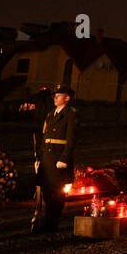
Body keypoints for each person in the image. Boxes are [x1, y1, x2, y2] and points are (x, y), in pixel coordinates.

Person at [31, 84, 78, 234]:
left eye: (59, 95)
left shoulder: (71, 114)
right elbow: (45, 138)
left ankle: (52, 225)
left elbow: (71, 139)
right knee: (46, 192)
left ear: (67, 98)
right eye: (55, 95)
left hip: (59, 160)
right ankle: (46, 223)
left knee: (57, 194)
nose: (55, 98)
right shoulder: (51, 114)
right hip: (47, 159)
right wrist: (39, 157)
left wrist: (64, 158)